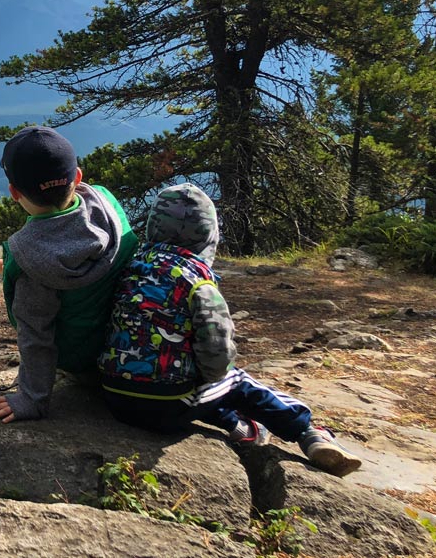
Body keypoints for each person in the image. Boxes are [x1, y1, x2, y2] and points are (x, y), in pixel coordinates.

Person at [98, 182, 363, 477]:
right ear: (208, 236)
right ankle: (308, 432)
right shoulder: (198, 283)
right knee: (235, 382)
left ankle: (239, 427)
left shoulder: (129, 267)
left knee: (195, 385)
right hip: (165, 407)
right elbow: (218, 359)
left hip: (113, 395)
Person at [0, 126, 138, 422]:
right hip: (128, 341)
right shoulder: (106, 203)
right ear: (77, 177)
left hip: (82, 359)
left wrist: (31, 399)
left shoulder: (29, 257)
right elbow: (83, 257)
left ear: (14, 192)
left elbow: (35, 335)